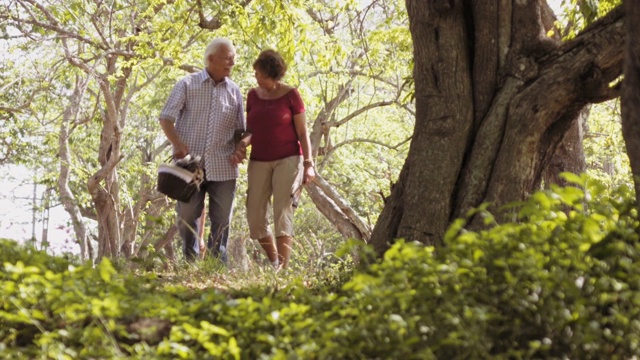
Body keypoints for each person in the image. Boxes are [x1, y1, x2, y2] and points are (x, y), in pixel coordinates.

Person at [159, 38, 246, 262]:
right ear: (211, 59)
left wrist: (239, 148)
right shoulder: (187, 84)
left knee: (222, 219)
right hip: (190, 165)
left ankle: (217, 264)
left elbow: (241, 131)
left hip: (224, 167)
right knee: (187, 215)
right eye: (228, 58)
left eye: (233, 59)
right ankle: (190, 261)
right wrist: (177, 144)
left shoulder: (234, 92)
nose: (232, 63)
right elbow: (166, 118)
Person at [231, 49, 316, 270]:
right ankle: (275, 260)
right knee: (255, 216)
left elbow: (303, 132)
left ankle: (284, 270)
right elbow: (251, 130)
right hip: (259, 159)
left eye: (259, 72)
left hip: (288, 159)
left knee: (282, 212)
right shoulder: (252, 95)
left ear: (270, 73)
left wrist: (309, 164)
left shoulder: (291, 95)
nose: (255, 76)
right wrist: (242, 143)